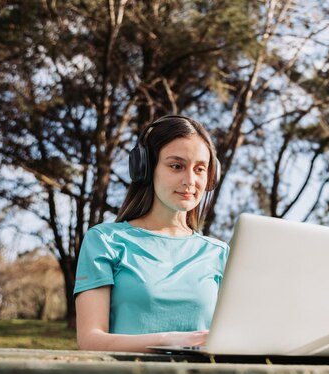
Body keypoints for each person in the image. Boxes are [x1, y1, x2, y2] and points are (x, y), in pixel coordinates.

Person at [74, 115, 229, 352]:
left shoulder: (219, 253)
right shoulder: (104, 240)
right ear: (144, 169)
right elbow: (90, 340)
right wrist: (166, 341)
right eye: (176, 166)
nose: (190, 180)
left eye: (200, 169)